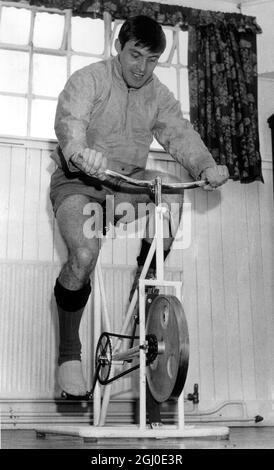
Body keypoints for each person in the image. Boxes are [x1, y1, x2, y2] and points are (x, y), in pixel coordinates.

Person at [50, 15, 229, 398]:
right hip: (80, 180)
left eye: (151, 60)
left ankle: (143, 288)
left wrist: (206, 166)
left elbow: (179, 135)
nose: (141, 68)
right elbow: (71, 121)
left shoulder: (158, 95)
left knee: (171, 195)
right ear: (119, 47)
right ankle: (68, 354)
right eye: (135, 56)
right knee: (83, 256)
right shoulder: (90, 79)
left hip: (124, 185)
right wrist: (81, 152)